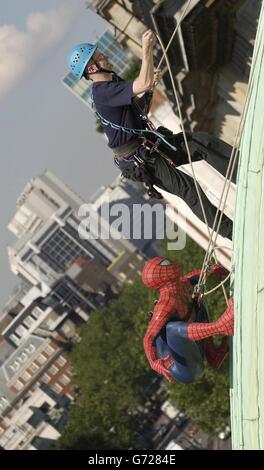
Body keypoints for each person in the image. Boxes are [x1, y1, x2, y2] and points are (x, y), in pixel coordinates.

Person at [67, 31, 237, 240]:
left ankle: (242, 173)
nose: (106, 57)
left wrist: (148, 92)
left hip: (148, 144)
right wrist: (146, 49)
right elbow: (142, 83)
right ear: (92, 67)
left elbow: (137, 113)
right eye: (100, 56)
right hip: (141, 159)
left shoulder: (112, 83)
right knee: (189, 190)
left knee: (200, 143)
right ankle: (234, 233)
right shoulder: (102, 91)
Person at [142, 257, 234, 383]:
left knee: (198, 304)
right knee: (172, 329)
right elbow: (148, 337)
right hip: (183, 367)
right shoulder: (164, 304)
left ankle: (214, 355)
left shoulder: (178, 287)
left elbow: (193, 278)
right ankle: (221, 327)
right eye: (165, 263)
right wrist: (154, 363)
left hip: (194, 352)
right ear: (160, 275)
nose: (172, 263)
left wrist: (210, 271)